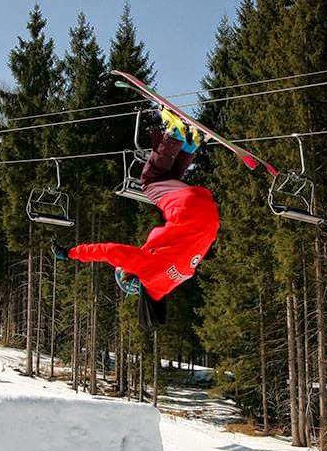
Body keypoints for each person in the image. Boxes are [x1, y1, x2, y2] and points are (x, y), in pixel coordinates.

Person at [52, 108, 220, 330]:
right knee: (149, 183)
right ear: (128, 274)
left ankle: (191, 141)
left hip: (209, 217)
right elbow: (107, 251)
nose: (122, 267)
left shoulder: (175, 279)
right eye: (122, 270)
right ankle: (175, 134)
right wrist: (71, 253)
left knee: (167, 181)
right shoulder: (145, 271)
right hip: (188, 208)